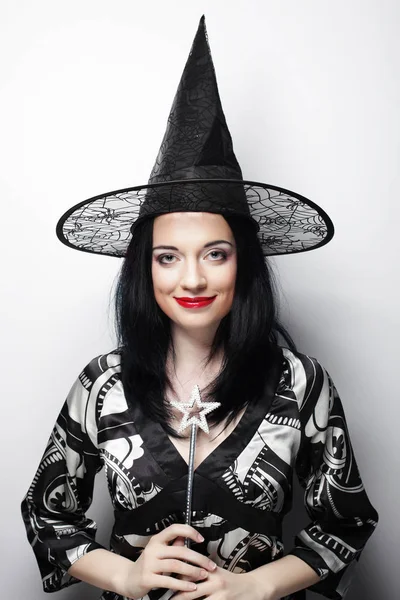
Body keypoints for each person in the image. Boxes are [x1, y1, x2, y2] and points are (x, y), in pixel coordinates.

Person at [21, 16, 378, 600]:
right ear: (146, 269)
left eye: (215, 253)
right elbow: (48, 515)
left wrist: (258, 586)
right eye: (168, 257)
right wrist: (127, 575)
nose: (192, 278)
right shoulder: (101, 385)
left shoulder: (300, 382)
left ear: (244, 264)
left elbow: (345, 524)